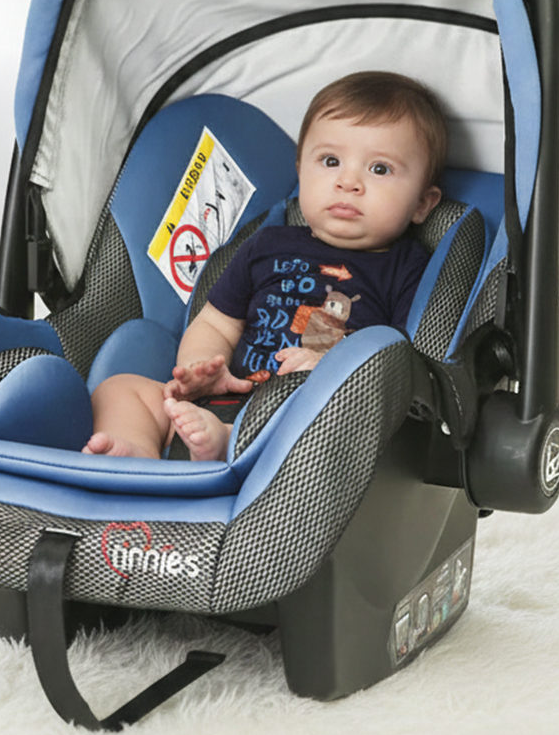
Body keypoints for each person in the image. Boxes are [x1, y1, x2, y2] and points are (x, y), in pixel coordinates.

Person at [83, 70, 447, 464]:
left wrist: (333, 366)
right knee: (120, 389)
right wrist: (201, 367)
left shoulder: (407, 269)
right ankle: (137, 450)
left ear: (422, 204)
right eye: (330, 161)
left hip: (308, 411)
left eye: (379, 169)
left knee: (314, 410)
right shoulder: (267, 245)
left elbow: (399, 362)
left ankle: (228, 442)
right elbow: (216, 323)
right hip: (228, 392)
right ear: (301, 171)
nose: (348, 182)